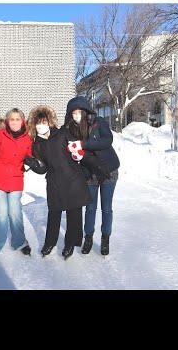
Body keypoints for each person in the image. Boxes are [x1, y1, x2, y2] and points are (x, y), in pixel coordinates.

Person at [24, 105, 90, 260]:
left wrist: (80, 153)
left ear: (50, 122)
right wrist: (31, 163)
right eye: (38, 123)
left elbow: (78, 151)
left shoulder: (63, 134)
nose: (41, 126)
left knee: (74, 214)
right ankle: (50, 242)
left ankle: (69, 244)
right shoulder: (37, 144)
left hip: (72, 179)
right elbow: (43, 169)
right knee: (54, 214)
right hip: (54, 182)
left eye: (44, 122)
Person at [63, 96, 120, 256]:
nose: (76, 116)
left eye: (79, 112)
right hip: (89, 173)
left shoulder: (99, 122)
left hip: (108, 171)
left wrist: (84, 144)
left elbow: (107, 141)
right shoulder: (72, 130)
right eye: (73, 113)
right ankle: (88, 238)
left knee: (106, 208)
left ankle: (105, 238)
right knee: (90, 208)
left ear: (86, 110)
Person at [0, 108, 32, 259]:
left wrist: (33, 162)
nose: (15, 122)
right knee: (2, 214)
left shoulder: (28, 138)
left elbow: (31, 156)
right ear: (7, 121)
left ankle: (19, 242)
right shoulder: (0, 134)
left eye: (18, 119)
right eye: (12, 119)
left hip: (16, 178)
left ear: (23, 121)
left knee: (15, 212)